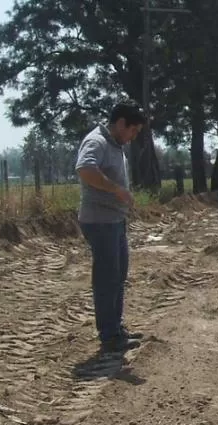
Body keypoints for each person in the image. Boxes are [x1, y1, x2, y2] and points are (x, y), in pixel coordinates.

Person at [75, 101, 147, 354]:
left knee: (117, 276)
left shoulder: (115, 145)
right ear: (120, 124)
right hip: (100, 221)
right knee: (107, 279)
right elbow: (85, 169)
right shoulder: (97, 142)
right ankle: (109, 336)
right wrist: (116, 189)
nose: (133, 136)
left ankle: (115, 328)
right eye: (133, 130)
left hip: (114, 220)